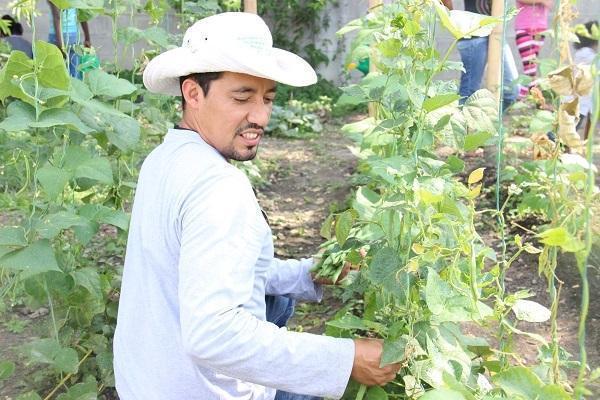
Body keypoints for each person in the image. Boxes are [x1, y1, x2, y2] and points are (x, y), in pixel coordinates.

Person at [113, 12, 400, 400]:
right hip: (199, 389)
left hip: (147, 382)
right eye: (242, 97)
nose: (260, 116)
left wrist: (309, 275)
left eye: (267, 98)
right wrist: (346, 358)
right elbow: (215, 336)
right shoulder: (218, 188)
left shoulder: (164, 160)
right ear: (192, 93)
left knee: (277, 302)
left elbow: (209, 269)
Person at [442, 0, 518, 109]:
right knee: (469, 96)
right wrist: (453, 19)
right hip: (473, 36)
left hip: (496, 33)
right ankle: (465, 124)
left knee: (511, 92)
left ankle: (488, 123)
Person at [514, 0, 553, 98]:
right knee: (530, 68)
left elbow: (550, 4)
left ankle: (521, 97)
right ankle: (537, 100)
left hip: (540, 30)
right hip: (524, 29)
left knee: (531, 67)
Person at [47, 1, 91, 78]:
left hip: (56, 37)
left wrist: (61, 46)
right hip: (73, 36)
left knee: (57, 74)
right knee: (75, 73)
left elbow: (57, 16)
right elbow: (82, 15)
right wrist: (87, 38)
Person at [574, 20, 598, 139]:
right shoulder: (585, 53)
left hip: (587, 98)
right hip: (579, 99)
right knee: (572, 126)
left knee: (585, 121)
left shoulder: (584, 52)